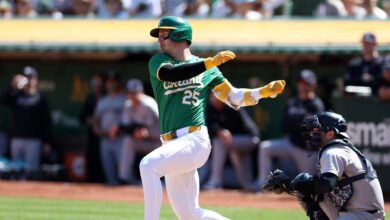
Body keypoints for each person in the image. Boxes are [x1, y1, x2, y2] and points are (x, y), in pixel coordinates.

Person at [139, 16, 286, 220]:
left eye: (164, 34)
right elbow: (172, 74)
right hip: (171, 144)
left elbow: (234, 97)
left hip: (194, 140)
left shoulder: (207, 68)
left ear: (180, 35)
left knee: (148, 165)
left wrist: (262, 92)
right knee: (190, 214)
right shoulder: (160, 61)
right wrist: (210, 62)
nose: (159, 40)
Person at [279, 112, 384, 219]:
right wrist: (289, 185)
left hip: (365, 215)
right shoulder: (340, 148)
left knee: (308, 184)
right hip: (357, 214)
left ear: (330, 134)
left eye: (316, 130)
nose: (312, 134)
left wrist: (297, 185)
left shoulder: (333, 151)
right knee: (308, 188)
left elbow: (325, 184)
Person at [254, 69, 324, 190]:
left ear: (313, 85)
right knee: (265, 147)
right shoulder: (292, 102)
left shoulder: (316, 104)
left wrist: (297, 121)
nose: (302, 86)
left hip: (306, 150)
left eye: (306, 83)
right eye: (301, 82)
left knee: (308, 185)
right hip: (290, 143)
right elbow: (285, 126)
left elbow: (310, 128)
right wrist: (301, 120)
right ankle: (262, 183)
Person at [0, 66, 52, 179]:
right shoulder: (16, 95)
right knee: (15, 170)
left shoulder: (40, 98)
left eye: (30, 78)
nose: (28, 81)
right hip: (17, 139)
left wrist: (47, 141)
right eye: (26, 78)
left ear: (36, 80)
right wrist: (13, 86)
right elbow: (3, 100)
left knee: (30, 172)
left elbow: (46, 121)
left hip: (34, 140)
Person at [202, 95, 260, 191]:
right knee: (245, 182)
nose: (213, 100)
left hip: (249, 138)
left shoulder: (231, 106)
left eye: (216, 98)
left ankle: (216, 181)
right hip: (234, 142)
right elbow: (209, 125)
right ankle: (248, 185)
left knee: (220, 142)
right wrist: (219, 130)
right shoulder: (211, 108)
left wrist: (222, 131)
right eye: (212, 98)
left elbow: (236, 129)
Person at [109, 79, 160, 184]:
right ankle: (124, 178)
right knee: (128, 141)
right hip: (144, 140)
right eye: (130, 93)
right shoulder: (128, 105)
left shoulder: (149, 104)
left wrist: (139, 132)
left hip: (159, 141)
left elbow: (145, 127)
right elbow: (127, 126)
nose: (132, 95)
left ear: (141, 92)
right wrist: (118, 128)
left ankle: (163, 181)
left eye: (134, 93)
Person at [92, 70, 126, 185]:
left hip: (120, 138)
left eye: (114, 81)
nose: (111, 84)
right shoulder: (102, 101)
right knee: (109, 174)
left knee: (123, 173)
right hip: (105, 139)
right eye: (109, 81)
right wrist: (97, 130)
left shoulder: (125, 99)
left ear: (119, 83)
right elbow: (95, 120)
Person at [79, 72, 106, 183]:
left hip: (106, 135)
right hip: (93, 136)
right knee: (92, 159)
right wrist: (90, 120)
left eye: (98, 82)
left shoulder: (107, 97)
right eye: (93, 82)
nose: (96, 85)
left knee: (104, 161)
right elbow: (81, 117)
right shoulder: (90, 98)